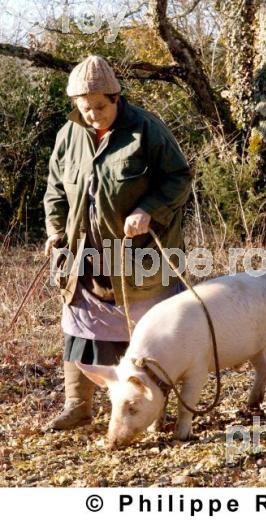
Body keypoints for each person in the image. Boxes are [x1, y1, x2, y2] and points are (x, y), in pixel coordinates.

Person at [44, 55, 192, 430]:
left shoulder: (146, 129)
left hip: (141, 253)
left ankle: (154, 408)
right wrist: (55, 230)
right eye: (84, 107)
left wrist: (148, 210)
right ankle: (78, 405)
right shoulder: (68, 136)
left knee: (150, 332)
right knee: (82, 325)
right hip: (85, 254)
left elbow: (179, 178)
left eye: (99, 106)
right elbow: (56, 190)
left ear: (116, 98)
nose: (93, 114)